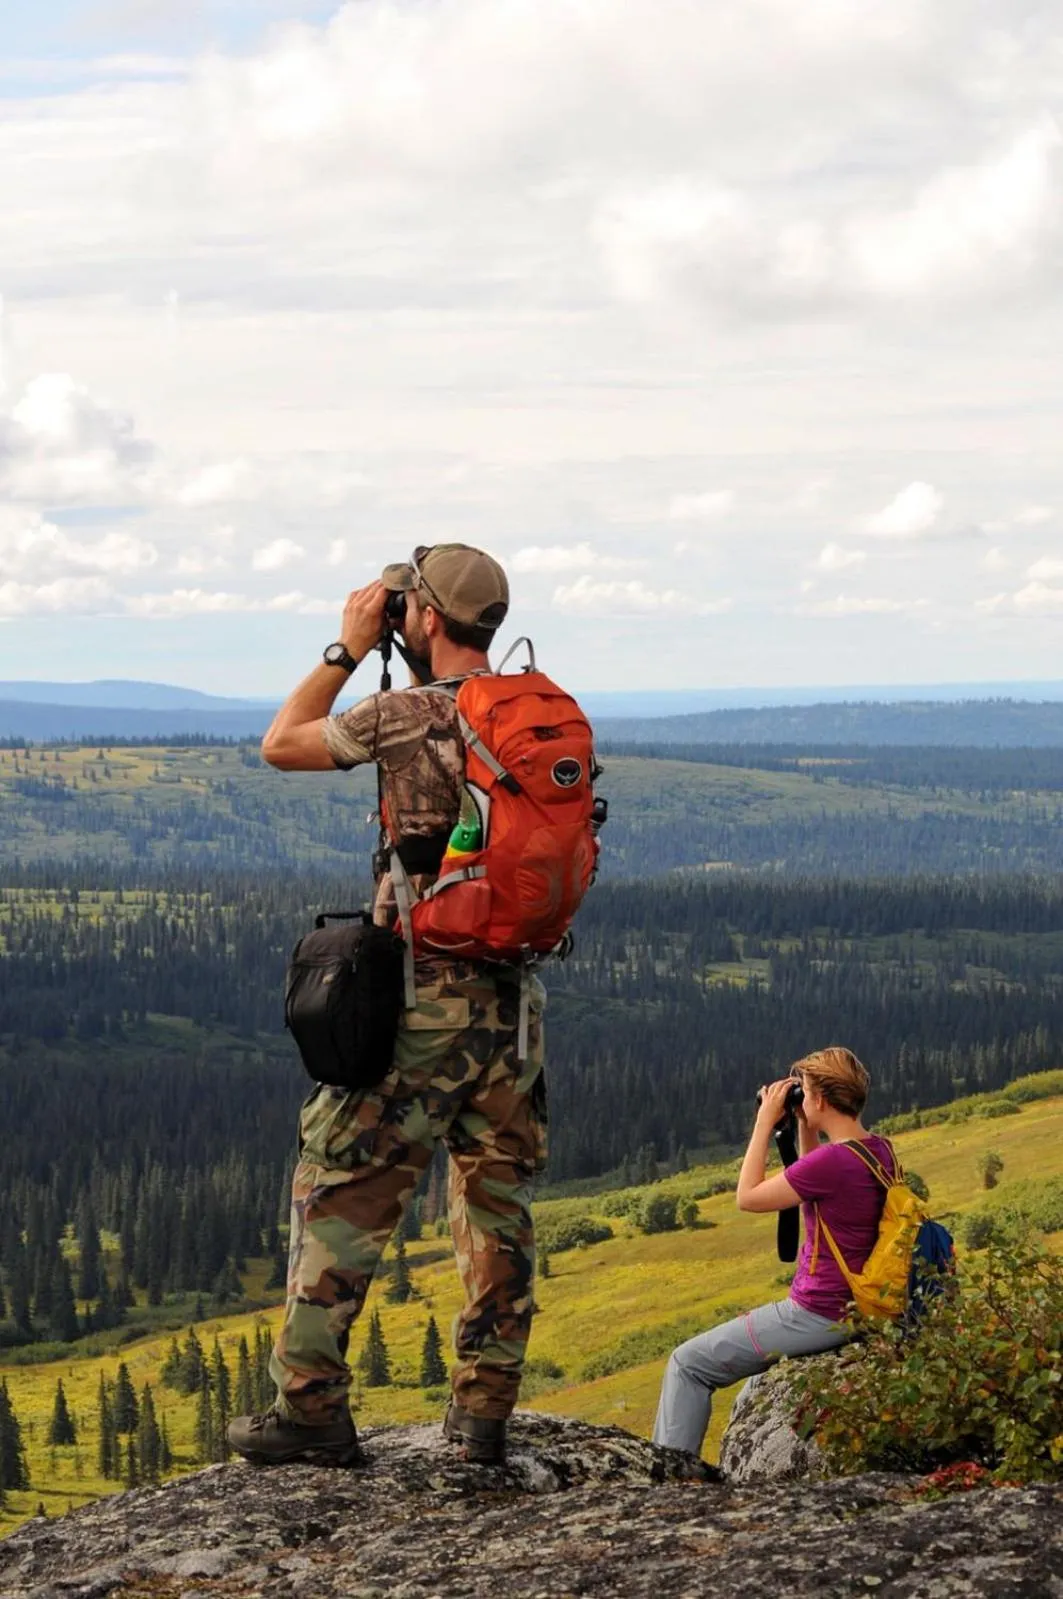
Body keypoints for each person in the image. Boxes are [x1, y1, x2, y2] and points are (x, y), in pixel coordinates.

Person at [228, 544, 547, 1468]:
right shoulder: (537, 709)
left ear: (426, 618)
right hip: (513, 1005)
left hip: (420, 995)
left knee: (341, 1188)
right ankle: (482, 1418)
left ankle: (311, 1410)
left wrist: (342, 648)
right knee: (496, 1212)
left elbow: (283, 742)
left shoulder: (405, 712)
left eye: (408, 607)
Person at [652, 1046, 895, 1457]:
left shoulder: (834, 1164)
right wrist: (805, 1125)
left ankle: (670, 1476)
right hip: (859, 1307)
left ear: (818, 1098)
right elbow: (818, 1172)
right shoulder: (877, 1150)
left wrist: (764, 1123)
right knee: (749, 1383)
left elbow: (748, 1197)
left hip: (818, 1311)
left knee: (687, 1364)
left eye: (806, 1092)